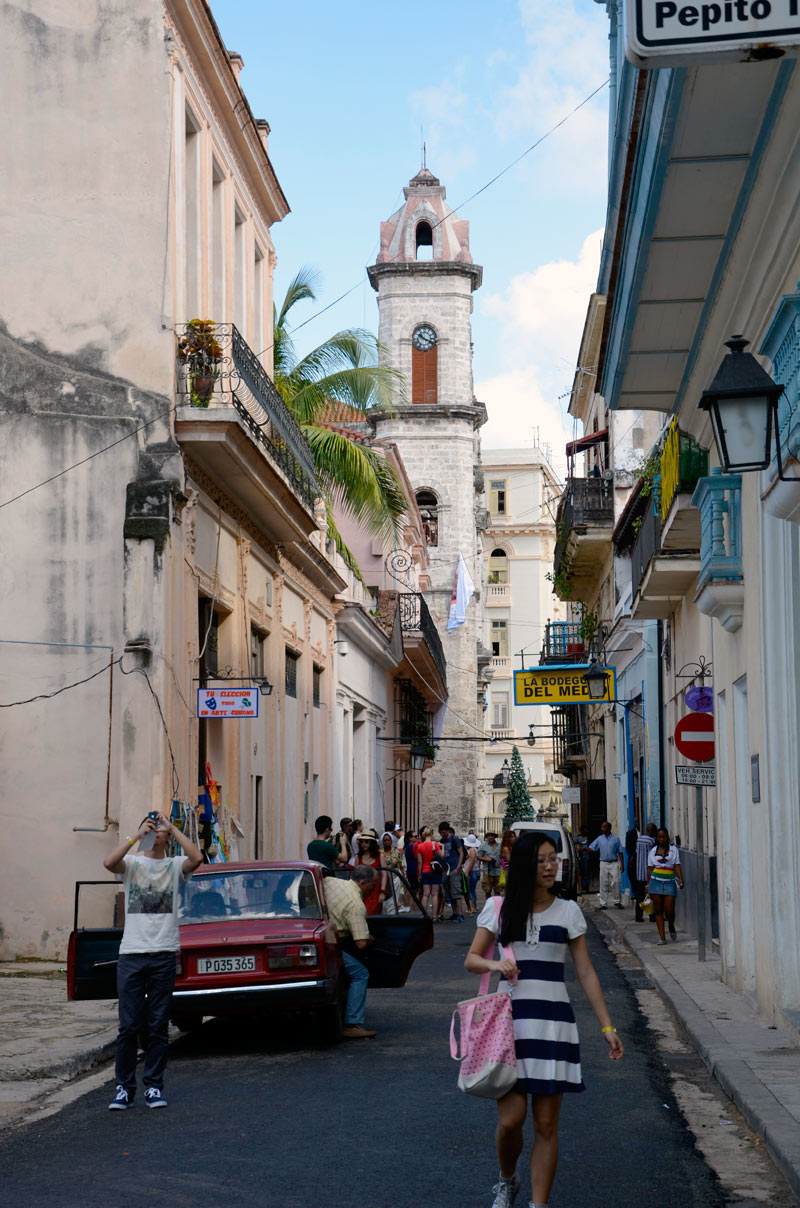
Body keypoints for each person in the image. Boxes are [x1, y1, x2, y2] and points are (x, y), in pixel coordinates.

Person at [465, 832, 623, 1208]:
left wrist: (607, 1027)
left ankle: (539, 1204)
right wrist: (494, 963)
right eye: (541, 860)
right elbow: (472, 958)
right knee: (510, 1121)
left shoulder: (568, 911)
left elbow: (585, 972)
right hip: (511, 1027)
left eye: (554, 859)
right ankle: (507, 1179)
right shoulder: (499, 909)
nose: (551, 866)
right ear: (524, 865)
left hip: (554, 1025)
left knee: (547, 1125)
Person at [103, 811, 203, 1110]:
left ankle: (154, 1087)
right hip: (132, 952)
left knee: (158, 1025)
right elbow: (109, 863)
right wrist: (135, 836)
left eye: (161, 830)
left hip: (163, 951)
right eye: (153, 828)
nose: (156, 832)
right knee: (128, 1026)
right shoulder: (132, 864)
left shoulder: (174, 867)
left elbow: (196, 858)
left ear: (168, 837)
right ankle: (123, 1088)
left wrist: (172, 827)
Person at [323, 864, 378, 1039]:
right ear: (362, 882)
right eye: (373, 885)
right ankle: (352, 1023)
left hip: (321, 939)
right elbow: (361, 943)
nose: (374, 889)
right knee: (361, 974)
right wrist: (370, 938)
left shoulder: (331, 882)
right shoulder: (356, 905)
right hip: (331, 946)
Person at [647, 826, 684, 944]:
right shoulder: (652, 852)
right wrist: (648, 885)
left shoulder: (674, 850)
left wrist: (681, 879)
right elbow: (649, 869)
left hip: (669, 883)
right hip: (655, 882)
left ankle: (671, 925)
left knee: (669, 910)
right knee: (658, 910)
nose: (662, 839)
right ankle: (662, 938)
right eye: (659, 837)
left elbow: (677, 866)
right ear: (657, 839)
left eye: (664, 837)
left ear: (667, 838)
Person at [589, 820, 624, 910]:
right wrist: (583, 849)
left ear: (609, 828)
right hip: (603, 863)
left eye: (604, 827)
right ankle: (603, 903)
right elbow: (592, 848)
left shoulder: (616, 839)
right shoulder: (599, 838)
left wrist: (622, 864)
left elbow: (620, 852)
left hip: (614, 863)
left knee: (616, 882)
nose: (602, 829)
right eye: (602, 827)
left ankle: (617, 901)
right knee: (603, 882)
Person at [352, 829, 387, 914]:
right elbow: (355, 876)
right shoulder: (358, 857)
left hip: (375, 891)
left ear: (372, 843)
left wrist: (382, 892)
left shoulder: (380, 856)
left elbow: (384, 874)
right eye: (362, 842)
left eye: (366, 842)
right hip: (361, 893)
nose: (364, 844)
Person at [438, 821, 465, 921]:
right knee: (449, 892)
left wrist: (458, 867)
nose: (442, 834)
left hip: (454, 868)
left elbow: (461, 852)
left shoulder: (454, 838)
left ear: (448, 830)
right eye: (441, 832)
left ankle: (460, 914)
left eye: (444, 832)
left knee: (456, 892)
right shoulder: (442, 840)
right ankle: (455, 912)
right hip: (446, 870)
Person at [416, 826, 444, 919]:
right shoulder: (434, 844)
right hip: (435, 871)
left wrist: (419, 874)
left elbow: (420, 862)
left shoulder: (419, 846)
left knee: (425, 894)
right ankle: (434, 915)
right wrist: (442, 847)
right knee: (435, 894)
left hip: (425, 871)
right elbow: (442, 856)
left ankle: (424, 915)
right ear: (431, 834)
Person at [636, 823, 658, 923]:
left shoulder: (639, 839)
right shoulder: (652, 841)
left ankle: (638, 916)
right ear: (652, 831)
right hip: (649, 873)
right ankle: (652, 916)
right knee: (651, 895)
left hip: (640, 872)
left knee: (640, 896)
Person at [625, 815, 644, 920]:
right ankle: (639, 915)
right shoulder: (630, 834)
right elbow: (628, 848)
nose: (637, 823)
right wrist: (632, 856)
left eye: (638, 821)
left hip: (645, 866)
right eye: (635, 822)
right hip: (634, 864)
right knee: (638, 891)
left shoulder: (646, 834)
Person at [477, 831, 503, 898]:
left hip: (498, 871)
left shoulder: (499, 845)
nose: (490, 837)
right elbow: (478, 856)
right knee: (487, 890)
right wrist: (486, 859)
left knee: (498, 890)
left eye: (492, 835)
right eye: (489, 836)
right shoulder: (483, 845)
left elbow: (503, 856)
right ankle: (488, 905)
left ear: (494, 837)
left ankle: (497, 906)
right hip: (487, 871)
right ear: (487, 837)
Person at [463, 832, 481, 914]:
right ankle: (474, 905)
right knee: (471, 889)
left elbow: (472, 861)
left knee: (471, 890)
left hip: (472, 871)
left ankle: (472, 906)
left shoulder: (472, 850)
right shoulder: (471, 850)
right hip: (474, 871)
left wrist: (467, 872)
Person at [574, 826, 589, 894]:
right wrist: (578, 848)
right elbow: (575, 846)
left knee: (586, 872)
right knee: (580, 872)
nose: (584, 831)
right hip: (580, 857)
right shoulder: (577, 838)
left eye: (585, 830)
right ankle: (581, 887)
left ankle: (586, 887)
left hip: (587, 857)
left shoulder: (588, 838)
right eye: (583, 830)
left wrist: (584, 849)